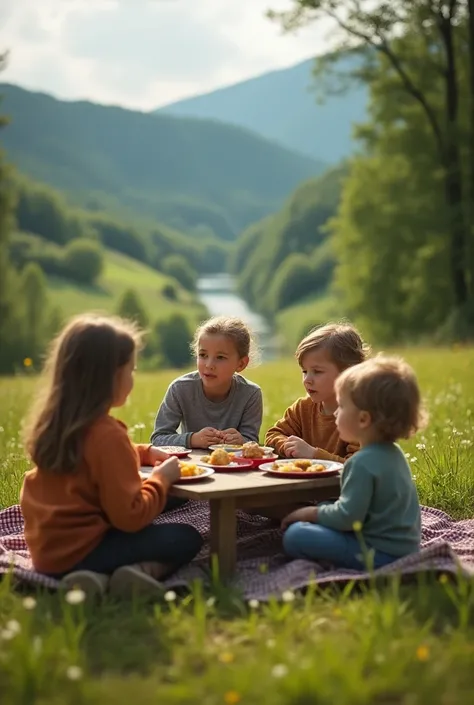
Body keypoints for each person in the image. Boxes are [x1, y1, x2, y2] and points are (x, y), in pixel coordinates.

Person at [20, 314, 203, 599]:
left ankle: (90, 580)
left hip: (47, 555)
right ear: (109, 376)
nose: (132, 378)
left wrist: (141, 452)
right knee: (187, 537)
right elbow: (131, 518)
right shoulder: (107, 435)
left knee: (171, 505)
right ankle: (135, 574)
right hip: (86, 549)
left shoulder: (55, 423)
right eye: (130, 370)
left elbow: (91, 458)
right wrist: (160, 479)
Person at [282, 355, 425, 570]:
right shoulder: (393, 453)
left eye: (341, 406)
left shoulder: (360, 463)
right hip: (406, 548)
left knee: (295, 535)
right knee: (325, 507)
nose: (336, 412)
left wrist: (307, 514)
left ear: (363, 419)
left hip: (378, 554)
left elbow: (347, 518)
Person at [265, 322, 371, 463]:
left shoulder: (360, 416)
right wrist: (288, 446)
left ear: (347, 373)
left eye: (317, 371)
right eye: (304, 371)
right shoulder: (303, 408)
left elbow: (357, 467)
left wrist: (314, 455)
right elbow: (273, 435)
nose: (307, 380)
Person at [151, 316, 263, 449]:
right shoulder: (180, 389)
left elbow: (252, 442)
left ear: (241, 363)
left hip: (233, 466)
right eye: (203, 355)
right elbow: (158, 438)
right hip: (192, 466)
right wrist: (192, 439)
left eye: (220, 357)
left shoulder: (251, 394)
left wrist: (242, 441)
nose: (209, 365)